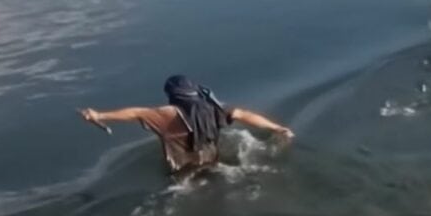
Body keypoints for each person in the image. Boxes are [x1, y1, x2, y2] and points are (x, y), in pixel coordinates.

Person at [79, 75, 294, 176]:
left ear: (171, 95)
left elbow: (135, 112)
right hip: (214, 164)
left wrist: (99, 114)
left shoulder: (167, 115)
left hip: (181, 174)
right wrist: (276, 128)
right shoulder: (213, 108)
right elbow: (243, 114)